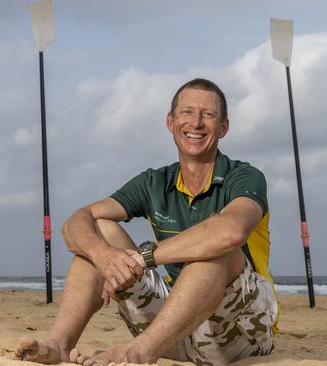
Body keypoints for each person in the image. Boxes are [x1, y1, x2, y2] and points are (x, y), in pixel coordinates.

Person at [15, 78, 279, 365]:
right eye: (187, 112)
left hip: (238, 332)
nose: (197, 123)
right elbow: (75, 223)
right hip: (171, 332)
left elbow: (232, 231)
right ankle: (60, 344)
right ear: (170, 121)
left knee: (215, 248)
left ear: (224, 127)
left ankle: (139, 353)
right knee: (99, 229)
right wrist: (103, 256)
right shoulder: (155, 181)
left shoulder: (244, 176)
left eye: (209, 114)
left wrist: (143, 258)